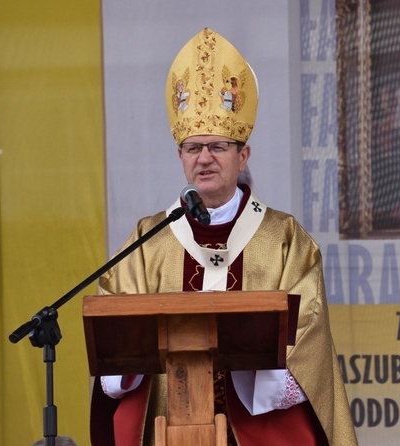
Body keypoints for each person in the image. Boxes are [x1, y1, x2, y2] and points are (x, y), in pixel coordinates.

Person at [89, 28, 358, 446]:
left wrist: (244, 377)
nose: (205, 158)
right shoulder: (149, 240)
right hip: (169, 427)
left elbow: (309, 335)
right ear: (180, 157)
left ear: (243, 155)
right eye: (193, 148)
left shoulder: (284, 238)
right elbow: (116, 341)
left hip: (256, 430)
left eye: (217, 146)